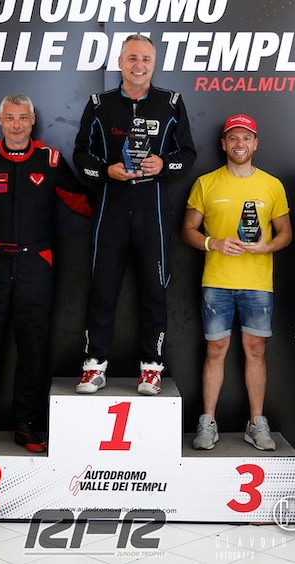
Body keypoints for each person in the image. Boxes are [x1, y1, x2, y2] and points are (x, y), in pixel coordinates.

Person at [0, 93, 90, 453]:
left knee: (33, 347)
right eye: (10, 118)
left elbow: (82, 201)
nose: (17, 125)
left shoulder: (50, 160)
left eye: (23, 118)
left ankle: (26, 425)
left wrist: (120, 201)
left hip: (35, 265)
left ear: (33, 121)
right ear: (0, 120)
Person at [73, 34, 196, 396]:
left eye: (145, 59)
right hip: (110, 208)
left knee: (154, 290)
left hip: (151, 210)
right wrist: (106, 170)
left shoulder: (171, 103)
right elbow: (81, 155)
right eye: (131, 58)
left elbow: (187, 154)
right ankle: (94, 365)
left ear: (154, 64)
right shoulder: (100, 104)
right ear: (120, 63)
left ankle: (152, 369)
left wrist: (163, 164)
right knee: (102, 289)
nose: (138, 65)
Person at [181, 114, 292, 451]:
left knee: (256, 350)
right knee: (215, 350)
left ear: (255, 143)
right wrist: (212, 242)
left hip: (257, 283)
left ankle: (256, 422)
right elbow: (188, 230)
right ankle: (208, 422)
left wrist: (266, 246)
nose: (239, 144)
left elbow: (286, 234)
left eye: (246, 138)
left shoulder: (272, 185)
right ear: (223, 144)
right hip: (217, 281)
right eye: (233, 138)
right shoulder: (206, 183)